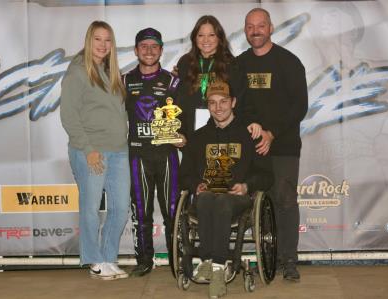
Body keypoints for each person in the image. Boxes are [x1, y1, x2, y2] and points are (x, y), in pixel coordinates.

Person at [233, 8, 308, 281]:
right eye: (250, 26)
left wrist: (271, 134)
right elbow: (236, 104)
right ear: (245, 30)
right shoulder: (239, 64)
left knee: (285, 202)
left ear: (271, 28)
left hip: (283, 146)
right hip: (250, 147)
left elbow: (299, 106)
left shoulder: (289, 62)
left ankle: (288, 261)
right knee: (253, 205)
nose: (256, 31)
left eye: (261, 25)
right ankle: (268, 259)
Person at [179, 81, 273, 299]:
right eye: (212, 103)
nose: (218, 108)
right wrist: (196, 186)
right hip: (208, 197)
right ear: (208, 106)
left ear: (233, 102)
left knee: (221, 201)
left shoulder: (250, 135)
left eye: (223, 102)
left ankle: (217, 267)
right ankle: (209, 262)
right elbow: (184, 175)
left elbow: (267, 175)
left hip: (237, 199)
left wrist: (247, 186)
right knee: (204, 199)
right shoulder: (198, 137)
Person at [60, 20, 130, 280]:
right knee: (90, 208)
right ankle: (93, 259)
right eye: (98, 39)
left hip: (119, 151)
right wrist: (88, 149)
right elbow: (69, 115)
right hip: (90, 151)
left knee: (121, 207)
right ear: (89, 41)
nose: (103, 45)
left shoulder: (110, 72)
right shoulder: (77, 71)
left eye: (107, 40)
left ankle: (109, 257)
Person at [122, 27, 185, 277]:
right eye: (144, 46)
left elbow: (187, 115)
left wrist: (185, 136)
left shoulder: (172, 81)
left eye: (154, 46)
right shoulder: (125, 80)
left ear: (161, 50)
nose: (149, 51)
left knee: (172, 211)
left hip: (167, 155)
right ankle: (144, 260)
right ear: (136, 50)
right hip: (138, 156)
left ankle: (176, 261)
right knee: (141, 211)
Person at [176, 15, 234, 139]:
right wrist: (180, 131)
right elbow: (179, 99)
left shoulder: (231, 63)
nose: (206, 40)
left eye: (211, 35)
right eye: (201, 35)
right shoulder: (185, 62)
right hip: (190, 132)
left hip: (223, 132)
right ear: (194, 38)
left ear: (219, 38)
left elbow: (238, 99)